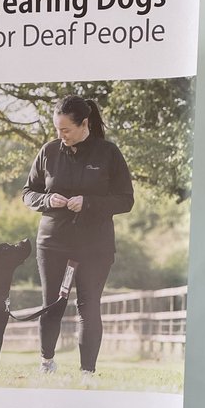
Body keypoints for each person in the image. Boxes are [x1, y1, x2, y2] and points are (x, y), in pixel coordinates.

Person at [22, 94, 133, 375]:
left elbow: (125, 200)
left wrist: (89, 203)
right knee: (52, 306)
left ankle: (87, 374)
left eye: (66, 130)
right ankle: (46, 362)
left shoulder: (108, 153)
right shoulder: (48, 152)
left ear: (84, 124)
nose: (61, 136)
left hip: (95, 245)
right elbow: (28, 193)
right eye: (57, 130)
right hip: (52, 242)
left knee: (89, 307)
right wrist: (47, 201)